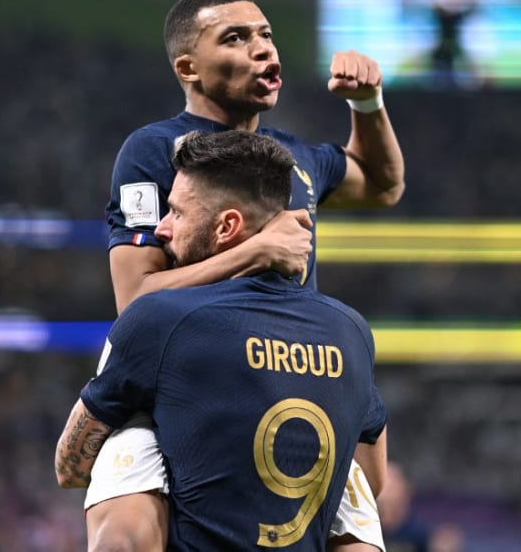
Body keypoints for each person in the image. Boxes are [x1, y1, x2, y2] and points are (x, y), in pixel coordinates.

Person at [90, 0, 403, 551]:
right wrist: (255, 251)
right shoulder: (153, 151)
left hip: (296, 384)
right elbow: (136, 300)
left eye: (265, 35)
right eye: (235, 38)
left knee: (370, 491)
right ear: (189, 66)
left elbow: (382, 185)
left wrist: (367, 105)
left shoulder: (295, 159)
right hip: (195, 400)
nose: (262, 48)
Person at [56, 130, 388, 550]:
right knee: (348, 484)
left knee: (131, 435)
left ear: (227, 226)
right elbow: (372, 481)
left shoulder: (161, 317)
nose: (161, 229)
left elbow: (69, 467)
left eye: (176, 212)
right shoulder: (352, 331)